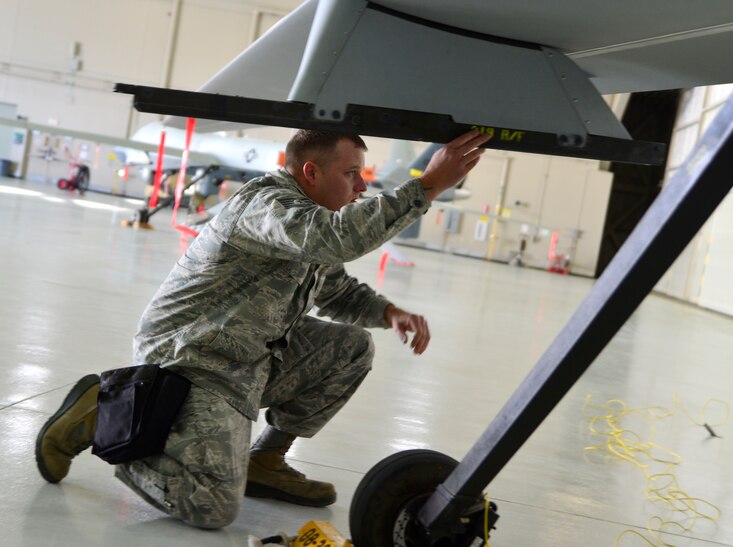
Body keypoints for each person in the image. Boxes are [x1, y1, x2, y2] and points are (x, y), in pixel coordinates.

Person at [35, 129, 490, 529]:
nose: (362, 184)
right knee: (212, 508)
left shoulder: (306, 223)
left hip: (247, 359)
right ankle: (103, 417)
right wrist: (425, 186)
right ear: (311, 172)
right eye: (352, 173)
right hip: (192, 362)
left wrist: (389, 312)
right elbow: (335, 239)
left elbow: (333, 285)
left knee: (351, 347)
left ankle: (266, 460)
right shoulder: (267, 206)